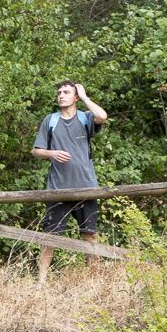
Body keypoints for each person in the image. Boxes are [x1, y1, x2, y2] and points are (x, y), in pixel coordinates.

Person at [32, 82, 110, 281]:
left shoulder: (86, 118)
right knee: (50, 237)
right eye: (59, 92)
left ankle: (94, 281)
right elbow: (36, 151)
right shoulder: (50, 121)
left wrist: (85, 98)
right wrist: (51, 153)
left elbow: (102, 116)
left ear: (75, 97)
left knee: (90, 235)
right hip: (58, 188)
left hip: (86, 187)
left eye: (66, 92)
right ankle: (41, 282)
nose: (61, 96)